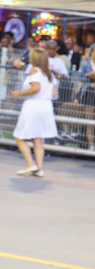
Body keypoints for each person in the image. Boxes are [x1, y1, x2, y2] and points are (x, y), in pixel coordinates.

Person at [11, 48, 58, 177]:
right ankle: (40, 168)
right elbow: (54, 93)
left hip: (33, 106)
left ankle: (30, 163)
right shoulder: (50, 74)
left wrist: (19, 93)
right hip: (46, 107)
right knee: (38, 139)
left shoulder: (34, 70)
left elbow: (36, 88)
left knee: (19, 136)